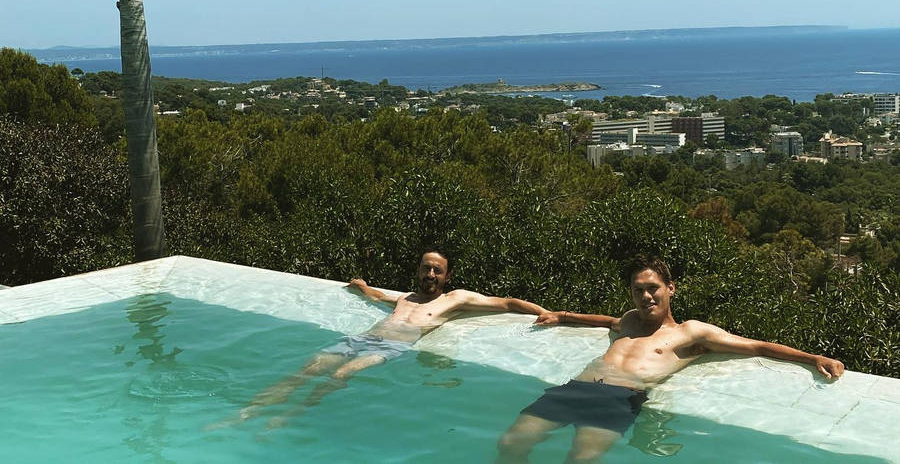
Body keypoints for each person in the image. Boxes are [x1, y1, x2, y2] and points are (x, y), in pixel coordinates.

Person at [497, 256, 844, 462]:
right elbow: (605, 321)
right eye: (638, 290)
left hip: (619, 398)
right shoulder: (630, 319)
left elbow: (756, 346)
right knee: (510, 444)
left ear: (670, 288)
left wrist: (812, 357)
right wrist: (563, 315)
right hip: (575, 388)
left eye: (653, 288)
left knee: (581, 460)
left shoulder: (692, 333)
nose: (646, 296)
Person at [212, 248, 546, 428]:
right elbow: (378, 297)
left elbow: (507, 303)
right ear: (418, 270)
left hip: (394, 345)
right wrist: (363, 287)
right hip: (364, 338)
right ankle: (248, 412)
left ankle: (288, 415)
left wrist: (545, 312)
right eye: (426, 268)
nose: (430, 274)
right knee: (309, 367)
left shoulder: (455, 299)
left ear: (447, 275)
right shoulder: (406, 297)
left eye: (437, 270)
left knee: (342, 373)